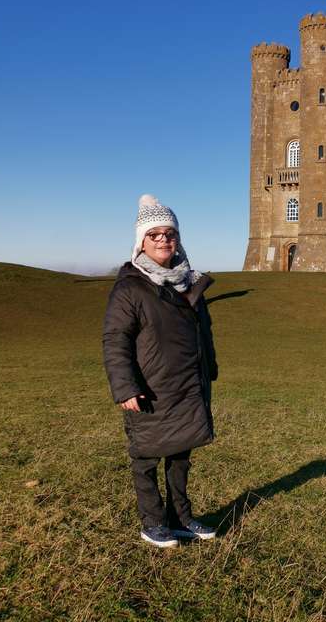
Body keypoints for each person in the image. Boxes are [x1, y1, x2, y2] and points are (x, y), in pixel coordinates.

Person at [103, 194, 218, 548]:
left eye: (169, 233)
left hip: (187, 383)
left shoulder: (187, 281)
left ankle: (179, 517)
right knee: (147, 456)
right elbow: (115, 340)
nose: (164, 240)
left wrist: (209, 369)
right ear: (141, 242)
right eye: (155, 235)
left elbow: (203, 331)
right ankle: (152, 521)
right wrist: (125, 388)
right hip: (149, 387)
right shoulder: (131, 287)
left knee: (181, 452)